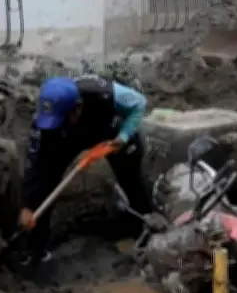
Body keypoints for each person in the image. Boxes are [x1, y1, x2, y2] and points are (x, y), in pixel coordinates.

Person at [14, 75, 154, 269]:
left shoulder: (102, 93)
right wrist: (27, 205)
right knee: (44, 185)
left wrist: (123, 136)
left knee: (131, 177)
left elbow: (139, 103)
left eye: (60, 119)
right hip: (65, 139)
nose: (54, 124)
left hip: (110, 131)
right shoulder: (44, 125)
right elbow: (34, 165)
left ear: (77, 108)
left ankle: (144, 228)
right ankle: (37, 249)